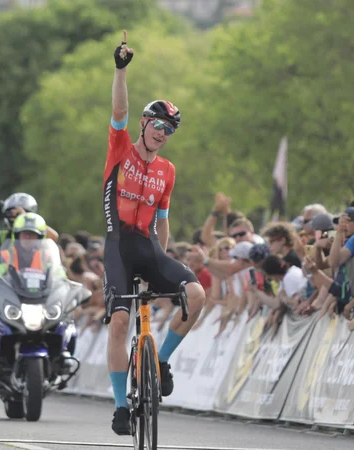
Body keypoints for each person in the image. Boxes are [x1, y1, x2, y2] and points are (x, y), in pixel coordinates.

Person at [104, 30, 206, 436]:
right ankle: (118, 407)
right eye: (159, 125)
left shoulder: (168, 170)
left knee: (196, 295)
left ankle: (161, 360)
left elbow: (163, 220)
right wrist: (120, 71)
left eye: (170, 130)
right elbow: (119, 109)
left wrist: (161, 261)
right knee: (118, 323)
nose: (163, 134)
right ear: (145, 124)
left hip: (147, 246)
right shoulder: (120, 148)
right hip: (116, 245)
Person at [0, 212, 65, 381]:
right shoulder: (8, 253)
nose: (29, 238)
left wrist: (64, 285)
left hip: (39, 301)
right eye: (25, 234)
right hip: (14, 301)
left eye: (33, 234)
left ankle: (62, 355)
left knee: (66, 317)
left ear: (40, 236)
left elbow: (58, 274)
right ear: (16, 235)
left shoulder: (47, 255)